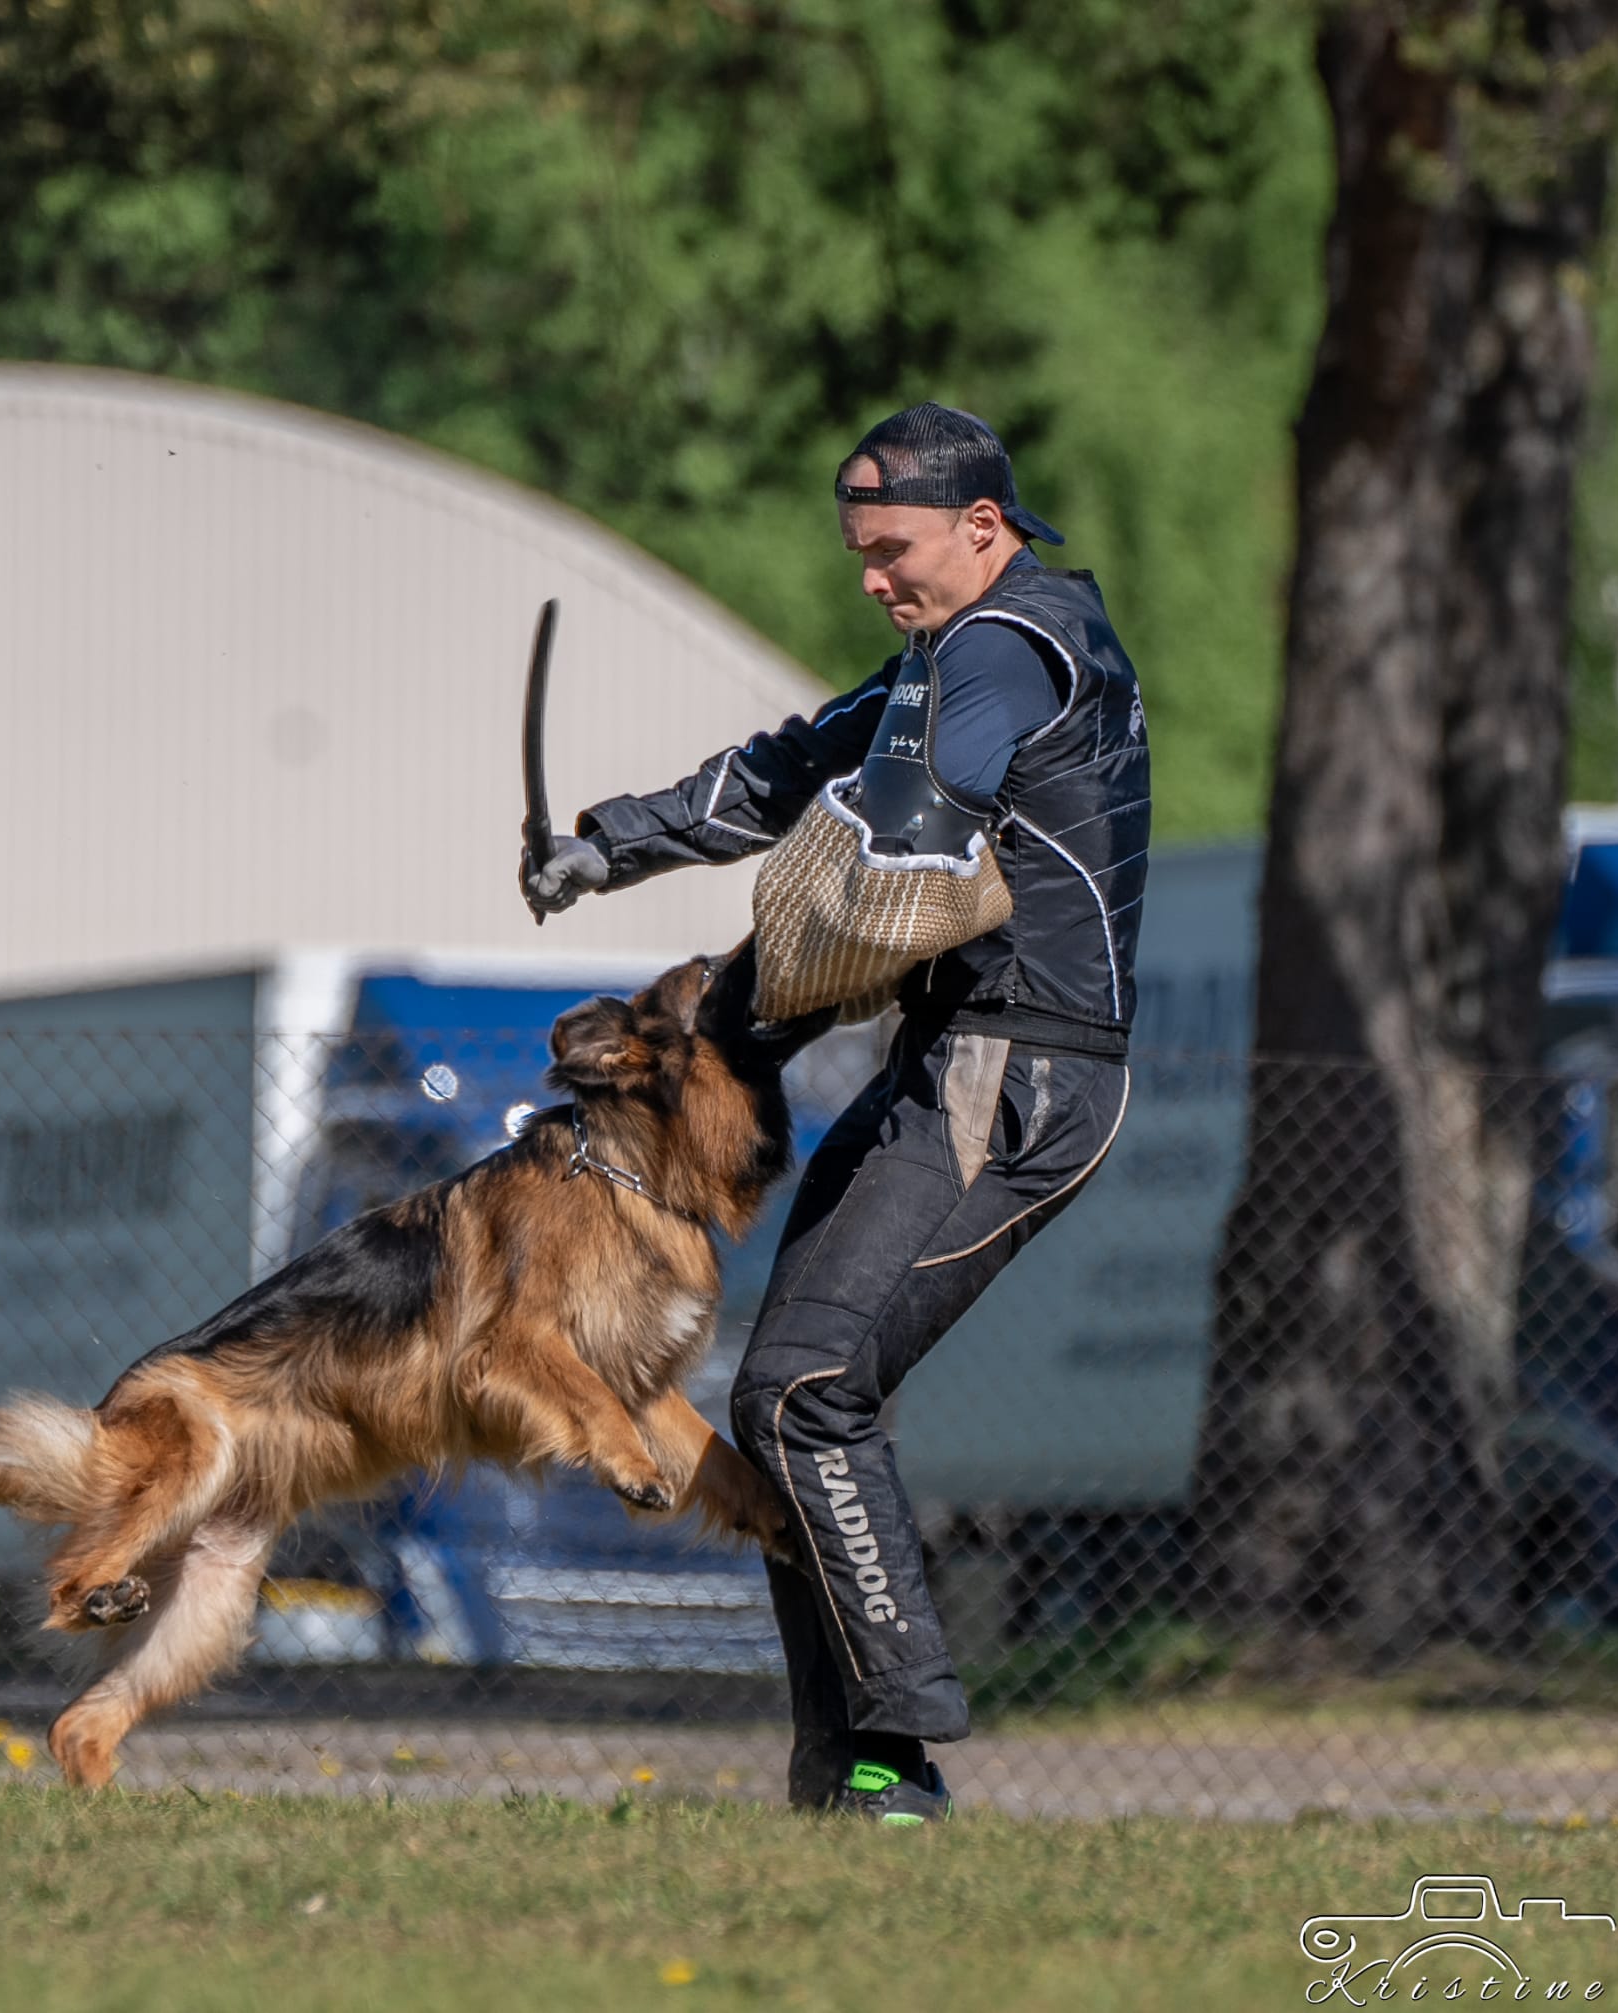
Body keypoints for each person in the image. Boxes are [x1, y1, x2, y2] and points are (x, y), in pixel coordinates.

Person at [522, 403, 1150, 1823]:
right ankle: (841, 1775)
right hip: (944, 1062)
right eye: (858, 551)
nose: (871, 577)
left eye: (892, 550)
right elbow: (793, 766)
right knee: (780, 1403)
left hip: (1020, 1076)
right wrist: (607, 844)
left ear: (982, 528)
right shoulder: (945, 651)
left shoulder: (1012, 645)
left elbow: (909, 815)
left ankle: (894, 1757)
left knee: (808, 1391)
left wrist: (729, 1011)